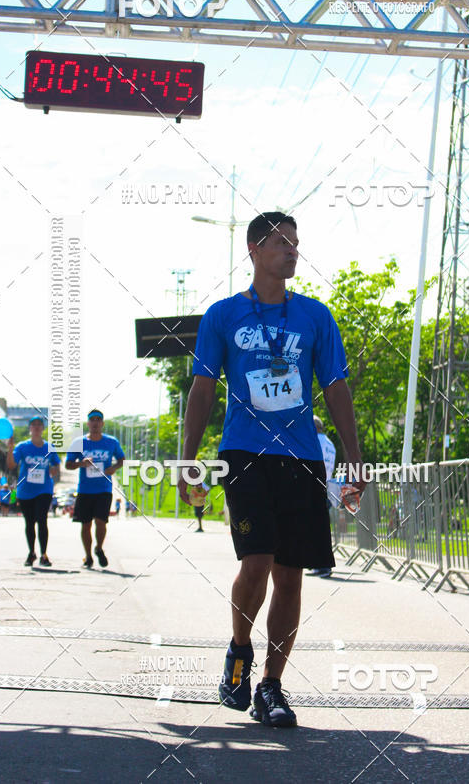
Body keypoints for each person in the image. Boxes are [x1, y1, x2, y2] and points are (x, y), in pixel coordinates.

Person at [178, 211, 367, 728]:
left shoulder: (314, 316)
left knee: (291, 574)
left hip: (302, 455)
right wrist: (188, 456)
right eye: (283, 243)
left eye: (297, 243)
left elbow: (335, 388)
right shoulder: (222, 315)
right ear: (255, 249)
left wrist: (352, 456)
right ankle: (239, 653)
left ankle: (271, 686)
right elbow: (203, 387)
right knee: (256, 559)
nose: (293, 251)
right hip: (245, 451)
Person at [66, 410, 125, 568]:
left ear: (102, 423)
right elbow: (68, 464)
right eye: (92, 420)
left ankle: (99, 548)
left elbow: (121, 459)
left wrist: (113, 468)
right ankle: (88, 556)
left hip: (104, 488)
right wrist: (81, 463)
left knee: (101, 521)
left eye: (98, 420)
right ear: (88, 423)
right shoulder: (78, 443)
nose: (95, 423)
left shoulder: (111, 442)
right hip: (85, 490)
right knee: (85, 524)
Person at [7, 417, 60, 566]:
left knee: (42, 519)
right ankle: (31, 553)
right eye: (34, 425)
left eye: (39, 425)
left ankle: (44, 554)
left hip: (44, 489)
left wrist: (53, 470)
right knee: (29, 522)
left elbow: (56, 466)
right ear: (30, 428)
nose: (36, 427)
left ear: (43, 429)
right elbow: (11, 465)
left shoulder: (49, 447)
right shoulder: (22, 447)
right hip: (25, 490)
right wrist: (10, 449)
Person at [309, 415, 338, 578]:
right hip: (327, 485)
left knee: (315, 528)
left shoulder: (314, 441)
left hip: (314, 485)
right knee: (320, 526)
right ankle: (318, 563)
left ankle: (322, 565)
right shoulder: (330, 443)